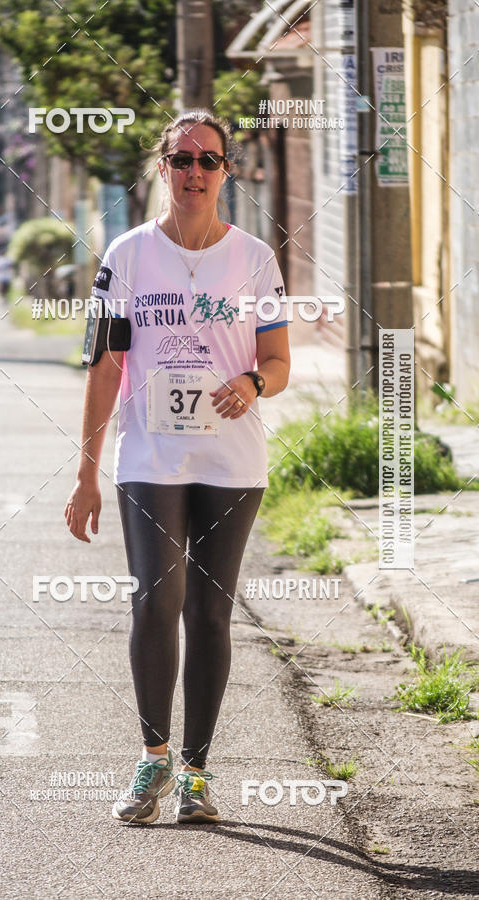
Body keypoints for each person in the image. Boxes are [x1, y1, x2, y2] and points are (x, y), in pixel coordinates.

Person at [64, 109, 291, 825]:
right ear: (162, 167)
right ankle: (152, 757)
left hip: (232, 458)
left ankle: (196, 772)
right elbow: (105, 367)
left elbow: (281, 362)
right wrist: (86, 472)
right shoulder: (127, 256)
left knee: (211, 613)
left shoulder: (253, 256)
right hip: (151, 454)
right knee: (154, 601)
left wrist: (253, 384)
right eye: (182, 159)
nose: (195, 172)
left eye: (209, 160)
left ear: (227, 171)